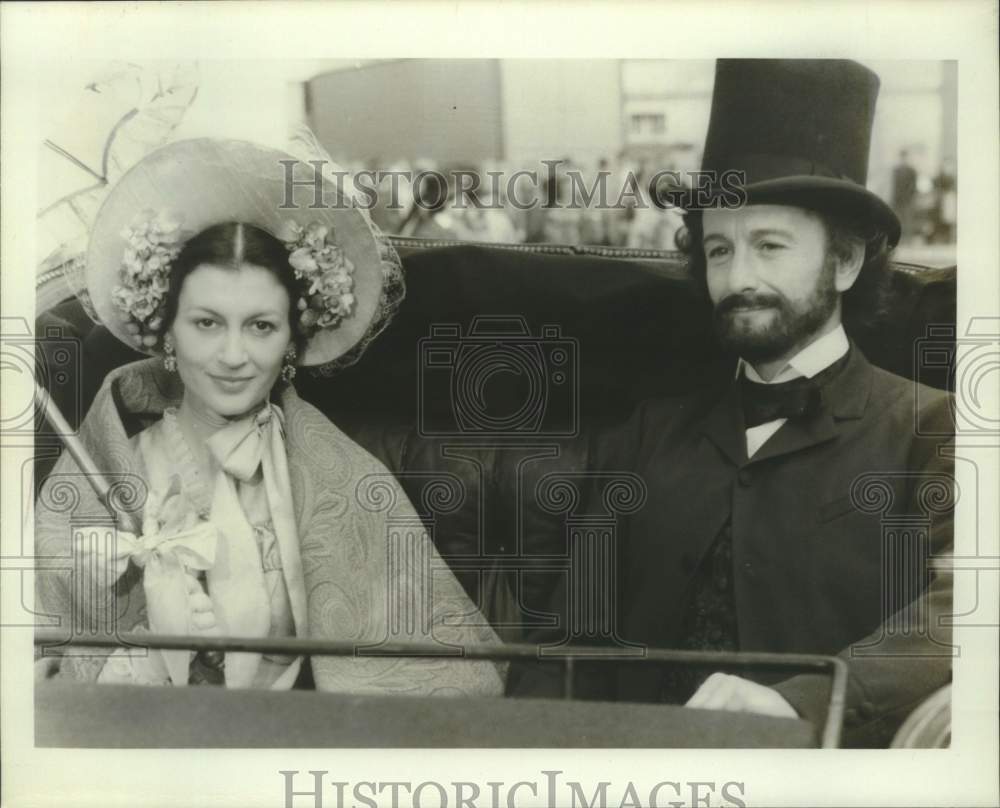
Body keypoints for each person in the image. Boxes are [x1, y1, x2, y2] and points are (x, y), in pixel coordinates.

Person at [514, 59, 954, 748]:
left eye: (770, 246)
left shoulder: (934, 428)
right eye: (719, 250)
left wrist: (809, 698)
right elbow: (567, 637)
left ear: (843, 264)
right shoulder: (645, 433)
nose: (738, 277)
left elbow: (967, 612)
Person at [34, 138, 505, 696]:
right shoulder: (104, 479)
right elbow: (45, 667)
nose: (234, 356)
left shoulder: (346, 483)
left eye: (260, 326)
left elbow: (433, 676)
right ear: (166, 332)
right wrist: (149, 650)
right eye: (207, 323)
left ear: (291, 339)